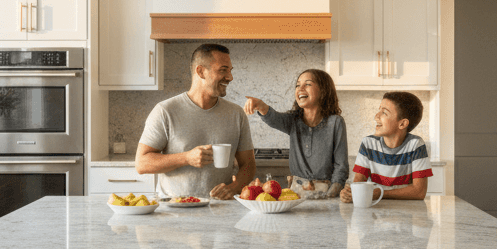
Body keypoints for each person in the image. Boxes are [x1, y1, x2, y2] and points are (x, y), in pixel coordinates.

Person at [136, 43, 256, 200]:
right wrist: (186, 158)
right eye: (223, 70)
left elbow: (248, 165)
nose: (230, 77)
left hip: (221, 210)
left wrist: (233, 188)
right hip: (175, 210)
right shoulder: (165, 111)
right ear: (200, 71)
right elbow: (141, 163)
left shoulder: (236, 114)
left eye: (230, 71)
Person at [243, 69, 349, 198]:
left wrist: (330, 195)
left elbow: (341, 166)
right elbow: (275, 118)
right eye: (298, 85)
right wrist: (260, 105)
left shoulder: (335, 122)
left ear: (323, 91)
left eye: (308, 84)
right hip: (295, 194)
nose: (300, 88)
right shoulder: (293, 120)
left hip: (327, 192)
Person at [340, 91, 433, 202]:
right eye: (379, 110)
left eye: (384, 112)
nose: (376, 116)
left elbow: (419, 192)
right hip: (375, 211)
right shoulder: (368, 144)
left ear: (402, 124)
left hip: (406, 212)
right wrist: (349, 193)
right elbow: (358, 184)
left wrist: (380, 193)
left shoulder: (415, 145)